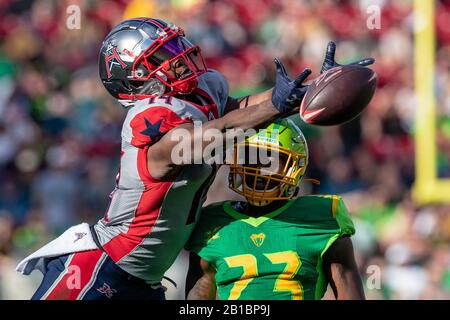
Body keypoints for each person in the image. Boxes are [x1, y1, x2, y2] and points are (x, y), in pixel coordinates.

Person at [16, 18, 372, 300]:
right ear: (137, 76)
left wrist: (309, 90)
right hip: (102, 268)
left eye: (174, 44)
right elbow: (205, 139)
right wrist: (276, 107)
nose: (178, 55)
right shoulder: (147, 119)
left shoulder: (197, 95)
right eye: (161, 55)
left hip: (145, 283)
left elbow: (239, 110)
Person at [185, 118, 365, 300]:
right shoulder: (211, 221)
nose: (258, 169)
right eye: (250, 158)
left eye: (269, 161)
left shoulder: (322, 218)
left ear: (294, 167)